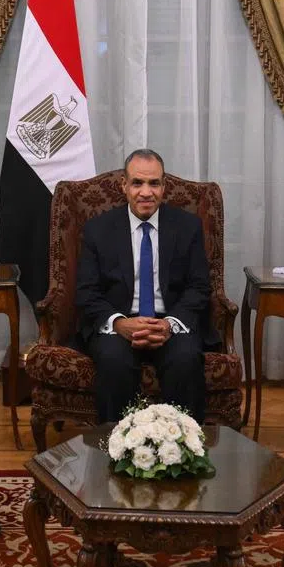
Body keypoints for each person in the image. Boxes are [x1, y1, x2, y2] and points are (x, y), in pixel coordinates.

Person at [75, 149, 212, 423]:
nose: (146, 192)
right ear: (123, 185)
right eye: (137, 183)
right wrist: (119, 323)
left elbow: (199, 287)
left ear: (164, 186)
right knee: (114, 361)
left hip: (170, 323)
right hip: (119, 324)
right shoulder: (98, 229)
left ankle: (181, 443)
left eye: (154, 183)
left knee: (185, 359)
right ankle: (116, 442)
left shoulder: (188, 227)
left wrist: (169, 324)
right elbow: (87, 291)